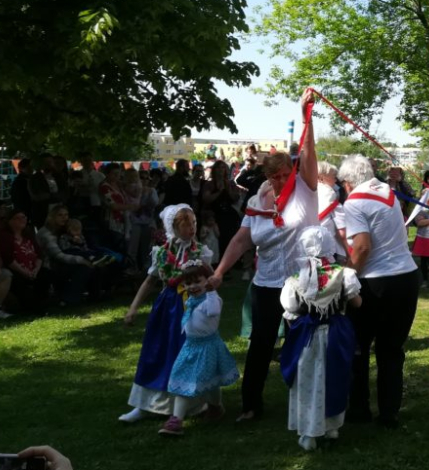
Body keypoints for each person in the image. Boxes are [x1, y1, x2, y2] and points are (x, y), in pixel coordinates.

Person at [209, 89, 321, 422]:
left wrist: (306, 116)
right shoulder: (257, 202)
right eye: (275, 176)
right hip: (266, 283)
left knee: (304, 343)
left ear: (294, 171)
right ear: (267, 177)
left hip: (302, 282)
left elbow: (310, 150)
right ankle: (251, 405)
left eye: (287, 174)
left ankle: (306, 404)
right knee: (260, 344)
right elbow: (241, 240)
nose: (282, 180)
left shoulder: (306, 190)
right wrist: (219, 272)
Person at [339, 155, 420, 428]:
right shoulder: (387, 191)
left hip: (375, 283)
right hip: (406, 277)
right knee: (391, 349)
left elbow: (362, 247)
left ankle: (359, 410)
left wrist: (346, 276)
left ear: (348, 183)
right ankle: (389, 413)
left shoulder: (353, 201)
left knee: (358, 348)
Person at [120, 204, 214, 423]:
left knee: (185, 356)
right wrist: (133, 308)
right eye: (186, 224)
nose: (192, 228)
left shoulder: (201, 251)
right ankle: (144, 404)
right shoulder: (161, 252)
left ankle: (189, 404)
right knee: (156, 352)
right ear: (173, 226)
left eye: (193, 223)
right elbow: (150, 281)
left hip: (192, 307)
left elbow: (211, 280)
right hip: (167, 308)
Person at [278, 226, 361, 450]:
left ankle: (309, 433)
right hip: (336, 333)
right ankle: (331, 428)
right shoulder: (344, 274)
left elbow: (292, 310)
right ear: (328, 246)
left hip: (308, 335)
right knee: (334, 377)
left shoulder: (295, 280)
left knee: (307, 379)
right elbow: (357, 302)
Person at [159, 261, 239, 436]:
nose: (192, 287)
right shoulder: (192, 301)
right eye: (187, 283)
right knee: (184, 377)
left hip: (207, 347)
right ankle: (176, 420)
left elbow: (213, 311)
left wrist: (211, 290)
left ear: (207, 280)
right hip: (191, 347)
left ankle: (215, 407)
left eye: (197, 281)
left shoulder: (212, 299)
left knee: (211, 380)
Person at [36, 205, 96, 306]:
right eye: (60, 215)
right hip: (49, 266)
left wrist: (80, 243)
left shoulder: (66, 229)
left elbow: (82, 247)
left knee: (92, 265)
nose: (64, 217)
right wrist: (81, 260)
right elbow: (58, 255)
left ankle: (93, 295)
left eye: (66, 215)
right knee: (84, 267)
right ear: (52, 217)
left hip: (63, 262)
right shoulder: (47, 233)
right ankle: (69, 299)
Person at [0, 208, 51, 315]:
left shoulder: (28, 234)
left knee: (46, 275)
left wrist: (35, 270)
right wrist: (25, 272)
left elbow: (39, 254)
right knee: (19, 283)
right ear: (10, 221)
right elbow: (8, 259)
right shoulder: (4, 236)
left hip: (32, 268)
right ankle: (33, 308)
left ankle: (43, 303)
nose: (23, 220)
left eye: (24, 217)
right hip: (16, 269)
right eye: (18, 218)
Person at [316, 161, 349, 265]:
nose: (336, 180)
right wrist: (349, 253)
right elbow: (342, 230)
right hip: (326, 248)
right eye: (333, 177)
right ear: (321, 178)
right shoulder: (329, 194)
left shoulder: (306, 192)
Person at [411, 177, 429, 288]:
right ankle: (425, 280)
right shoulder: (419, 208)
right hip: (422, 237)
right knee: (423, 260)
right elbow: (419, 222)